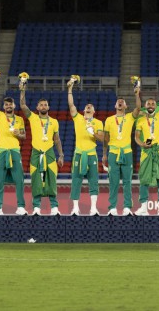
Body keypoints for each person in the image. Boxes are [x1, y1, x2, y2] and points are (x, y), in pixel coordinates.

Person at [20, 86, 64, 216]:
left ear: (48, 107)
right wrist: (22, 89)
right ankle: (36, 207)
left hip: (50, 153)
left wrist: (61, 155)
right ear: (37, 108)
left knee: (51, 179)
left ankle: (54, 207)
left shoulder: (54, 122)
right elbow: (22, 105)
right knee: (36, 180)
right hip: (36, 153)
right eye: (41, 105)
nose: (43, 106)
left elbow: (57, 139)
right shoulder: (33, 118)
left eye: (45, 105)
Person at [68, 78, 104, 216]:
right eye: (87, 106)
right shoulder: (78, 118)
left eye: (91, 106)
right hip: (79, 154)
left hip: (91, 154)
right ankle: (75, 208)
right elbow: (71, 105)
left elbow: (102, 139)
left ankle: (93, 208)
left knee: (93, 181)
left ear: (94, 111)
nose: (89, 106)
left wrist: (93, 133)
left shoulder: (98, 122)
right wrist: (70, 89)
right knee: (76, 181)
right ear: (84, 110)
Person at [0, 79, 26, 215]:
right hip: (2, 151)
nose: (8, 106)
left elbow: (24, 136)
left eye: (10, 104)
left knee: (19, 180)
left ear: (14, 106)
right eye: (6, 104)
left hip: (15, 151)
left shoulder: (20, 119)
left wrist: (18, 134)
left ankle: (21, 206)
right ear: (4, 107)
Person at [103, 89, 141, 215]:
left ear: (125, 106)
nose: (120, 102)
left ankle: (127, 207)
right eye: (118, 101)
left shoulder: (130, 117)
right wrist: (104, 154)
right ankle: (112, 207)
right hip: (113, 152)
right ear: (115, 105)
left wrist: (136, 94)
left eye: (122, 102)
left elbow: (139, 107)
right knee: (113, 181)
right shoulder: (108, 120)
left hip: (127, 152)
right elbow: (105, 139)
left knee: (127, 181)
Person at [134, 97, 159, 216]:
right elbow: (136, 137)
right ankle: (143, 207)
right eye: (148, 103)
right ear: (145, 105)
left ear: (155, 106)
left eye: (153, 103)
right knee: (144, 178)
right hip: (146, 152)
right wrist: (142, 144)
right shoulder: (140, 120)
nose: (151, 105)